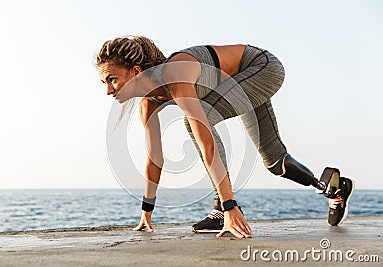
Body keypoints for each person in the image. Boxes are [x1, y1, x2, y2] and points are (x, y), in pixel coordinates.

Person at [96, 36, 354, 238]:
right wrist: (146, 211)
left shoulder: (175, 73)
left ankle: (222, 209)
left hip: (261, 67)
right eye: (103, 83)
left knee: (198, 122)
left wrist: (229, 207)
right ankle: (333, 190)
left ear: (136, 71)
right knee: (275, 162)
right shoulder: (148, 103)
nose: (108, 90)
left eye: (112, 79)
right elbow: (155, 158)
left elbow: (206, 141)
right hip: (236, 82)